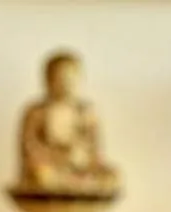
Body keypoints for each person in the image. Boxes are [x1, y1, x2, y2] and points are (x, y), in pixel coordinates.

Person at [18, 51, 121, 197]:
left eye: (70, 79)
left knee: (113, 176)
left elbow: (95, 150)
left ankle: (79, 184)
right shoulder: (36, 112)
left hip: (81, 168)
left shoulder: (86, 112)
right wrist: (56, 157)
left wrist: (82, 157)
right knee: (42, 177)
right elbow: (30, 146)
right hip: (50, 168)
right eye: (59, 79)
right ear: (48, 80)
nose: (65, 84)